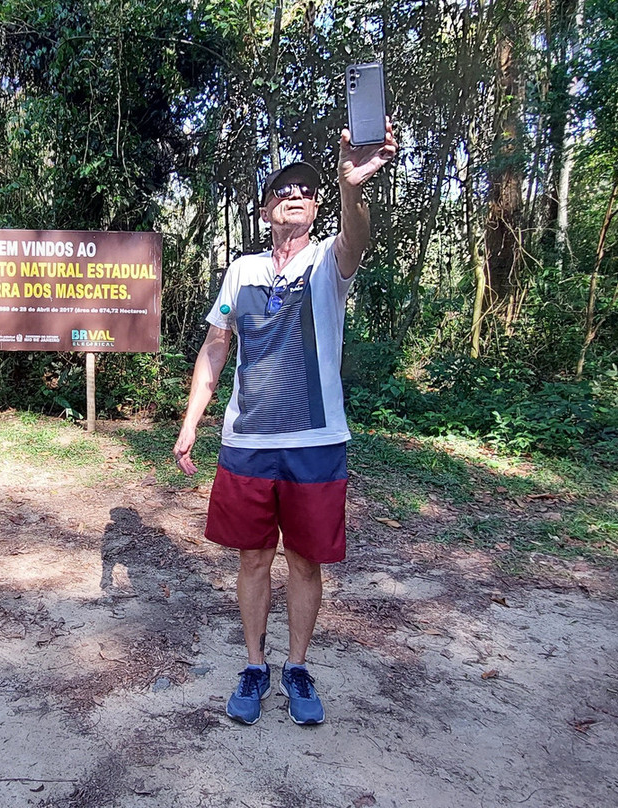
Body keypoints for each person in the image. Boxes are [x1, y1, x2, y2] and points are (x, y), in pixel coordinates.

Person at [172, 121, 397, 726]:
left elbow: (357, 240)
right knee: (251, 558)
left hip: (316, 441)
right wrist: (193, 418)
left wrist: (354, 186)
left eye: (306, 189)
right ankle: (254, 663)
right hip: (248, 441)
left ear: (317, 205)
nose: (295, 194)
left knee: (303, 559)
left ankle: (296, 666)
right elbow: (217, 346)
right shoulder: (242, 270)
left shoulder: (328, 262)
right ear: (266, 209)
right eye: (282, 190)